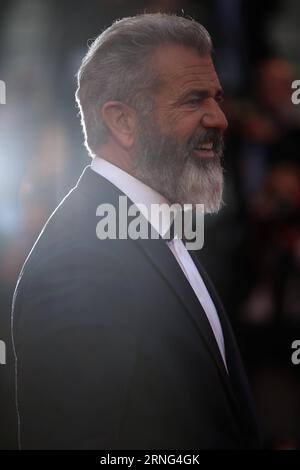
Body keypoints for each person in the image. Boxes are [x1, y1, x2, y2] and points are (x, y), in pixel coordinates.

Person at [12, 13, 260, 449]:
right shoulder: (79, 263)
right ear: (122, 122)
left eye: (217, 98)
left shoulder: (155, 228)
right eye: (193, 100)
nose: (220, 118)